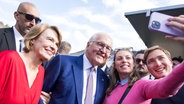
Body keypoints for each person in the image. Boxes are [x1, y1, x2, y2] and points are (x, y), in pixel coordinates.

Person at [41, 32, 113, 104]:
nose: (103, 50)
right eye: (100, 44)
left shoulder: (104, 80)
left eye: (108, 48)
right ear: (88, 45)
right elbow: (41, 93)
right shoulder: (62, 62)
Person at [0, 23, 62, 103]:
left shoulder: (41, 72)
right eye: (50, 40)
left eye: (57, 44)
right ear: (33, 39)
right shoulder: (9, 58)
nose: (53, 47)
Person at [103, 44, 184, 104]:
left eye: (128, 58)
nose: (124, 60)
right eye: (119, 58)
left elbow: (165, 87)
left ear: (134, 64)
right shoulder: (110, 86)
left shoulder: (142, 84)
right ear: (114, 64)